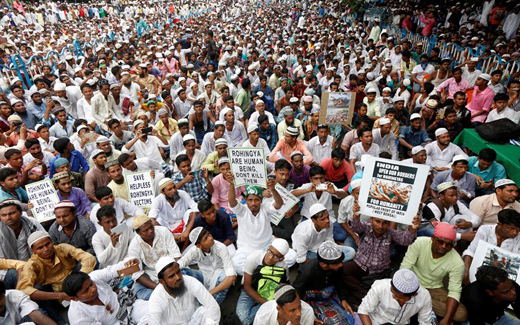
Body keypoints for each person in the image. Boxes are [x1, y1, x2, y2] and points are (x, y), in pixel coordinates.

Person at [17, 231, 96, 324]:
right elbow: (24, 289)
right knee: (36, 289)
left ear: (52, 242)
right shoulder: (31, 264)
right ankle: (60, 321)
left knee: (87, 264)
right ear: (33, 251)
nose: (46, 249)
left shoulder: (62, 248)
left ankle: (91, 297)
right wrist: (61, 295)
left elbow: (88, 258)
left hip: (75, 287)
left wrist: (79, 281)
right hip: (54, 297)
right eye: (40, 248)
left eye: (48, 244)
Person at [343, 210, 420, 306]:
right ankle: (365, 296)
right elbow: (355, 226)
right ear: (371, 219)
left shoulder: (391, 233)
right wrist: (356, 216)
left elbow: (405, 240)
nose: (380, 226)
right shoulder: (365, 227)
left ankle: (362, 296)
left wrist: (412, 229)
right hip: (360, 265)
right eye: (377, 221)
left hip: (380, 272)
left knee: (391, 290)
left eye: (385, 223)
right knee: (343, 270)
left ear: (388, 224)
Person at [227, 170, 293, 275]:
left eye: (256, 200)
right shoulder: (242, 210)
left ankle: (257, 270)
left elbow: (279, 204)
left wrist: (273, 189)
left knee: (292, 257)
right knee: (237, 265)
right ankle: (267, 269)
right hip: (247, 249)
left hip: (268, 246)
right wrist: (231, 184)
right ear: (246, 200)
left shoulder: (265, 208)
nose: (253, 203)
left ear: (261, 200)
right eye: (250, 200)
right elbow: (232, 202)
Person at [400, 222, 468, 323]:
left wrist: (447, 319)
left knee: (461, 314)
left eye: (449, 244)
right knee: (397, 292)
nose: (444, 246)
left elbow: (454, 291)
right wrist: (409, 290)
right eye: (440, 242)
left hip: (434, 289)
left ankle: (416, 303)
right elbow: (404, 269)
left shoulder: (458, 262)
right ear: (432, 238)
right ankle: (420, 304)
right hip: (412, 283)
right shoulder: (419, 243)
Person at [62, 258, 147, 325]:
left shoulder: (94, 277)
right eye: (86, 291)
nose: (93, 289)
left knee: (155, 310)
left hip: (126, 306)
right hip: (114, 324)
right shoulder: (77, 317)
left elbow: (115, 270)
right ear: (74, 298)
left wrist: (130, 263)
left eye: (91, 284)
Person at [293, 241, 355, 325]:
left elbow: (339, 281)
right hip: (311, 297)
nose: (341, 265)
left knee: (349, 318)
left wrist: (343, 299)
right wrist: (308, 315)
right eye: (337, 263)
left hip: (329, 293)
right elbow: (296, 294)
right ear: (324, 264)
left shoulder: (337, 267)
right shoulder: (306, 272)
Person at [148, 256, 220, 324]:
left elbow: (212, 305)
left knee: (205, 311)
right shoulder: (156, 298)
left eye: (178, 272)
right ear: (162, 282)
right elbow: (153, 322)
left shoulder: (190, 281)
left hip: (193, 322)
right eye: (171, 276)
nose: (178, 277)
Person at [236, 239, 292, 325]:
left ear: (281, 259)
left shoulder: (283, 267)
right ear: (268, 248)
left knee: (244, 320)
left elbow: (286, 285)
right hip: (251, 290)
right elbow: (247, 287)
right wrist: (269, 305)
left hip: (268, 293)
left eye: (276, 256)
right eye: (271, 252)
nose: (270, 258)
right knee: (242, 319)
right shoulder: (254, 258)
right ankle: (262, 313)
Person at [128, 214, 182, 301]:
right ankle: (169, 297)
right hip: (152, 275)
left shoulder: (163, 231)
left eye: (151, 227)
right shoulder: (134, 246)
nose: (150, 231)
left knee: (190, 278)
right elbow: (137, 274)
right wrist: (161, 289)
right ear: (138, 232)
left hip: (172, 269)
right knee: (139, 293)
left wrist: (174, 275)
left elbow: (176, 256)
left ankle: (167, 298)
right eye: (146, 230)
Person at [178, 227, 237, 305]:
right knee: (182, 272)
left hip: (220, 275)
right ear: (199, 245)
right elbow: (180, 263)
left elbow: (231, 276)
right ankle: (187, 299)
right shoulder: (194, 251)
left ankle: (214, 306)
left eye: (208, 234)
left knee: (224, 278)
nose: (210, 238)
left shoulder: (221, 247)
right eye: (206, 239)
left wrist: (208, 294)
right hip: (204, 275)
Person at [462, 209, 520, 285]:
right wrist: (466, 272)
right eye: (511, 228)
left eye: (518, 229)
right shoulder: (485, 230)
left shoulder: (518, 238)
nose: (515, 232)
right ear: (500, 224)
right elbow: (470, 251)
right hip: (481, 273)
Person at [358, 269, 434, 325]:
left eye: (399, 297)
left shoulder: (424, 296)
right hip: (376, 322)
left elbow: (425, 322)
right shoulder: (380, 286)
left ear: (414, 295)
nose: (394, 297)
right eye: (392, 292)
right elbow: (363, 310)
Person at [0, 200, 44, 288]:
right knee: (35, 287)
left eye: (12, 213)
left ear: (20, 212)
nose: (8, 217)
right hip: (8, 274)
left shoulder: (31, 222)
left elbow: (45, 241)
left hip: (35, 266)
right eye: (4, 215)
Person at [148, 178, 198, 250]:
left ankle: (184, 248)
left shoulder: (183, 194)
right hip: (167, 228)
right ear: (162, 192)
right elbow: (151, 219)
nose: (174, 191)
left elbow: (196, 210)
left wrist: (187, 230)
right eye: (169, 189)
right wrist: (171, 236)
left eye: (174, 187)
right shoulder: (158, 200)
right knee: (157, 221)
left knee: (190, 213)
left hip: (184, 226)